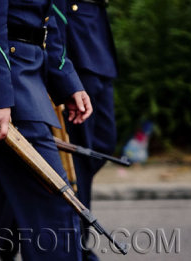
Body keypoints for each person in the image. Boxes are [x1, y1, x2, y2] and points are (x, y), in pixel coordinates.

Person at [0, 0, 93, 259]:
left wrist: (64, 78)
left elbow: (46, 16)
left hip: (20, 78)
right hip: (11, 87)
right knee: (54, 212)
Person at [53, 0, 118, 260]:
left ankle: (19, 221)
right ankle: (75, 244)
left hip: (95, 29)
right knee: (78, 154)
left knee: (102, 144)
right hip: (74, 33)